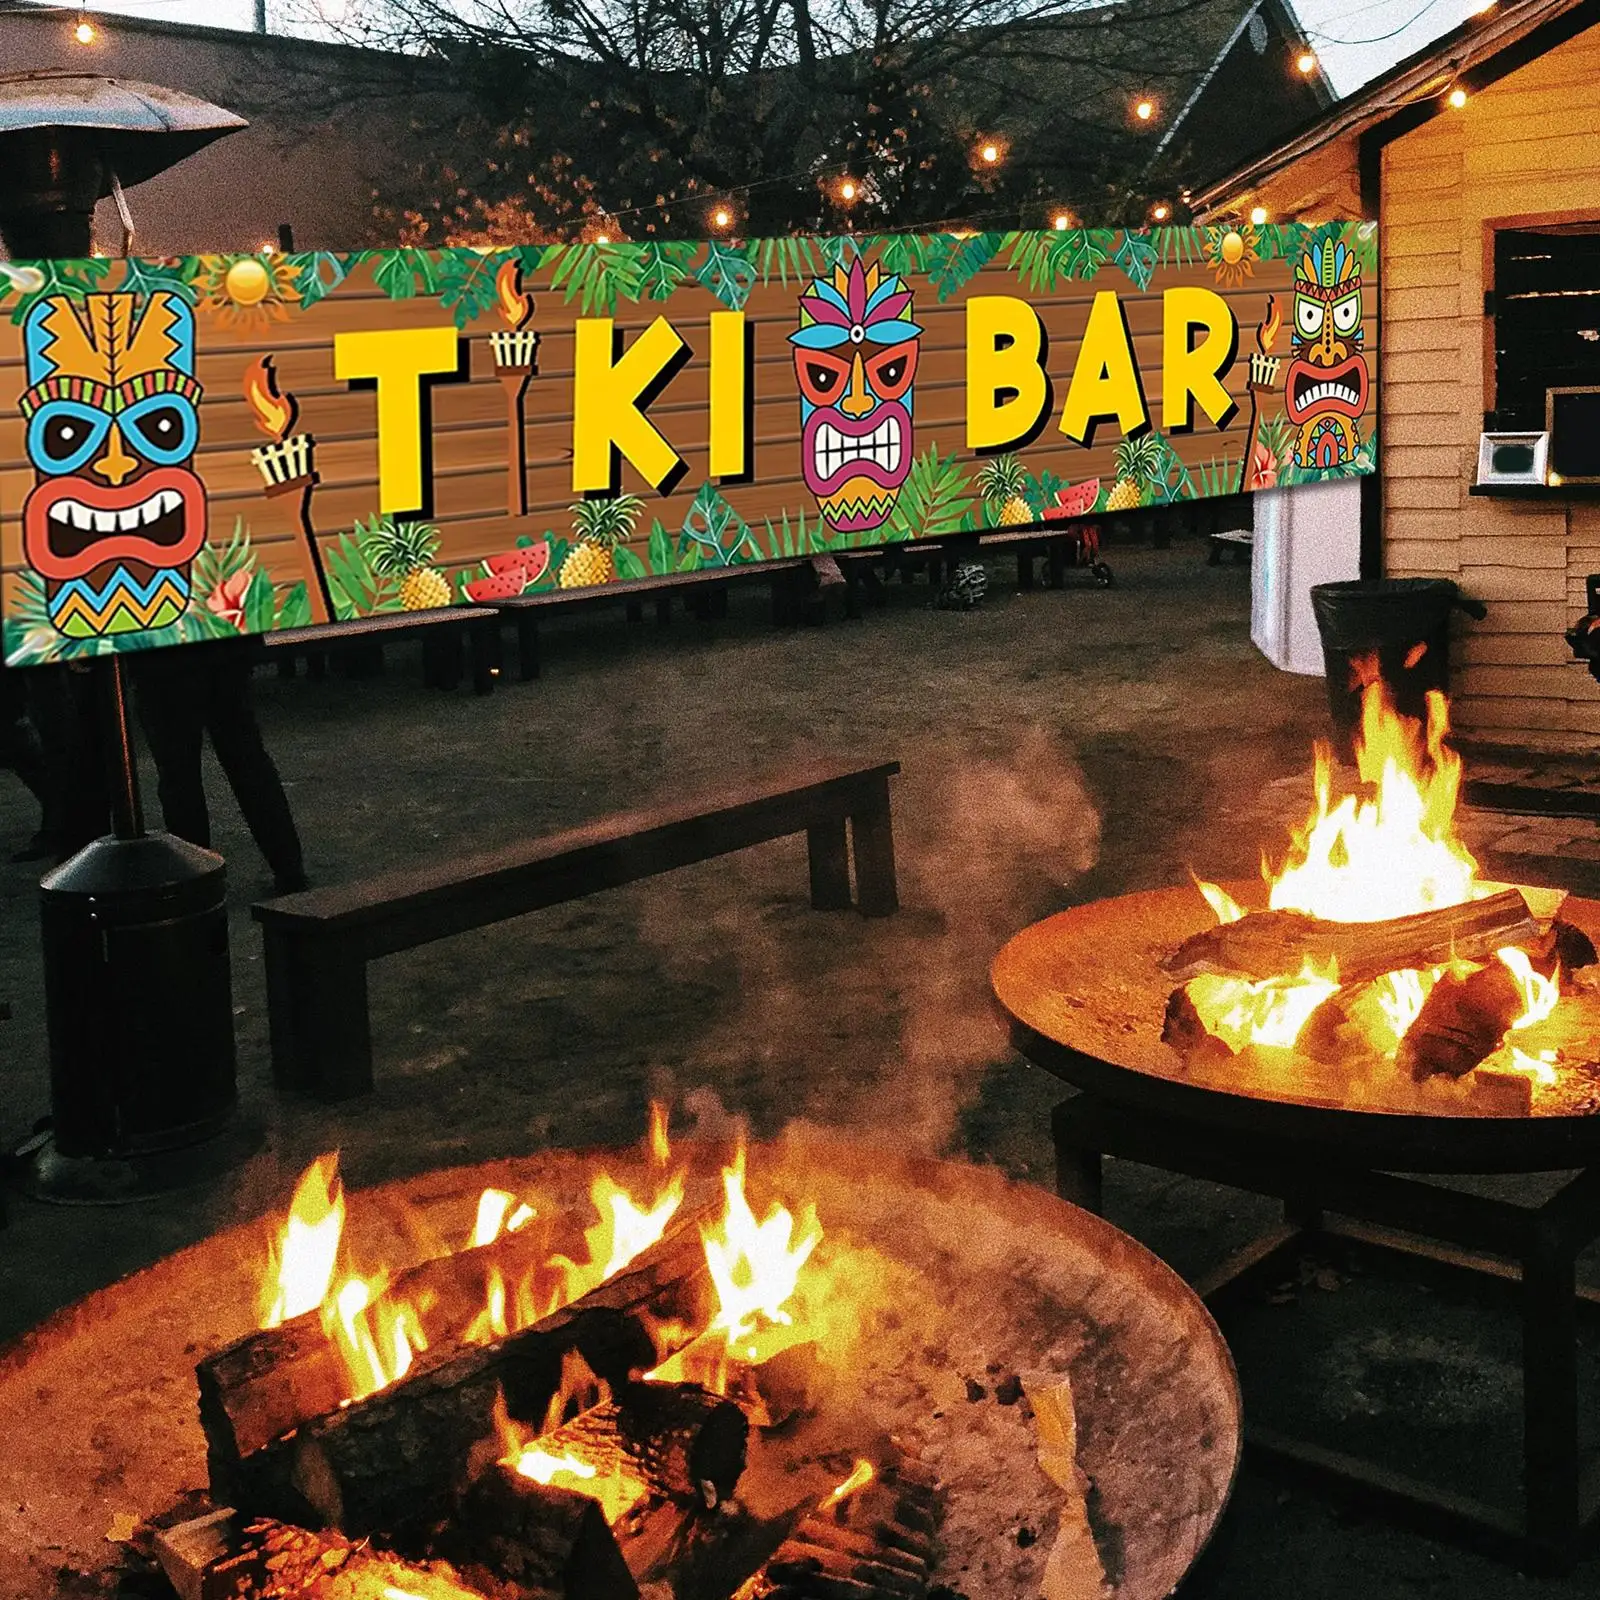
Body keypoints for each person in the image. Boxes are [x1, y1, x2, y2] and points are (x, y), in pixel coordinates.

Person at [133, 636, 308, 892]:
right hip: (222, 642)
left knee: (179, 775)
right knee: (248, 761)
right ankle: (288, 868)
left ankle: (196, 879)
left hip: (161, 654)